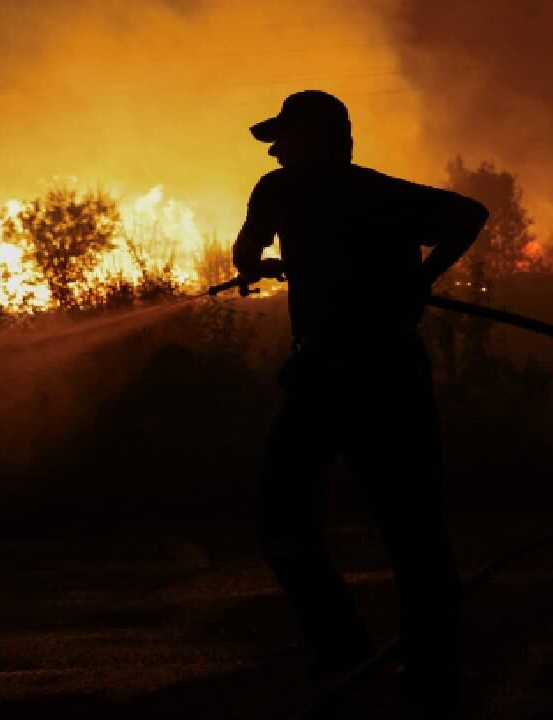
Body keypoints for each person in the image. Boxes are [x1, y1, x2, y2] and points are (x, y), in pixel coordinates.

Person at [233, 90, 488, 717]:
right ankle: (433, 676)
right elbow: (470, 214)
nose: (276, 150)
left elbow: (243, 256)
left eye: (284, 139)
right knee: (414, 533)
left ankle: (342, 643)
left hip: (328, 375)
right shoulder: (384, 195)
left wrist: (262, 264)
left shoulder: (277, 191)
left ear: (313, 139)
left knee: (282, 515)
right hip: (388, 374)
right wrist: (422, 280)